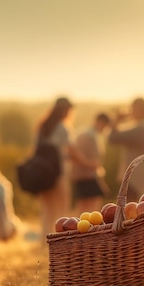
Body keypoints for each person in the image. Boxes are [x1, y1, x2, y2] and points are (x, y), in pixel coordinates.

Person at [35, 97, 96, 238]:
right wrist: (89, 164)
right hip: (59, 173)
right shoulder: (62, 127)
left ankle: (44, 243)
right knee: (62, 210)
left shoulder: (43, 126)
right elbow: (73, 152)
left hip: (43, 174)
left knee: (47, 210)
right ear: (65, 110)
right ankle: (62, 242)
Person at [108, 97, 144, 201]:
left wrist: (117, 120)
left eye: (133, 108)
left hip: (136, 180)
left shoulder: (142, 129)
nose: (131, 111)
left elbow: (113, 138)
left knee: (131, 212)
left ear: (140, 109)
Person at [72, 112, 111, 213]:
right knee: (91, 208)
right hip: (88, 176)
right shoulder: (91, 136)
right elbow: (95, 162)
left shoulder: (82, 133)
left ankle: (81, 226)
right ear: (101, 122)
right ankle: (89, 227)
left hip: (79, 175)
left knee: (83, 206)